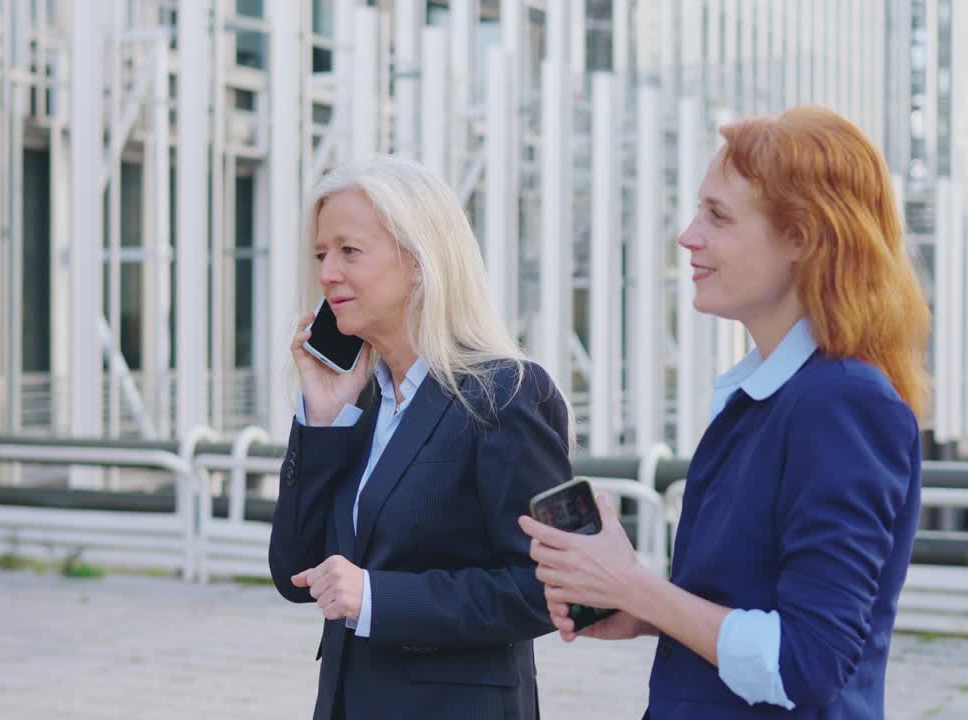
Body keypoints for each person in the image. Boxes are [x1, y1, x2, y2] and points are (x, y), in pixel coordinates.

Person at [519, 106, 930, 719]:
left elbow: (806, 663)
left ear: (803, 238)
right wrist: (644, 613)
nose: (688, 236)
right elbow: (760, 615)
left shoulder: (842, 404)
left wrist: (637, 586)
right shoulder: (772, 398)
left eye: (718, 216)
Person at [269, 157, 572, 720]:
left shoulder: (505, 394)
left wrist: (382, 599)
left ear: (419, 258)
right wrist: (322, 421)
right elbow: (294, 571)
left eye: (348, 251)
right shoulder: (356, 403)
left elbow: (555, 588)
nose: (327, 273)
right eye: (320, 255)